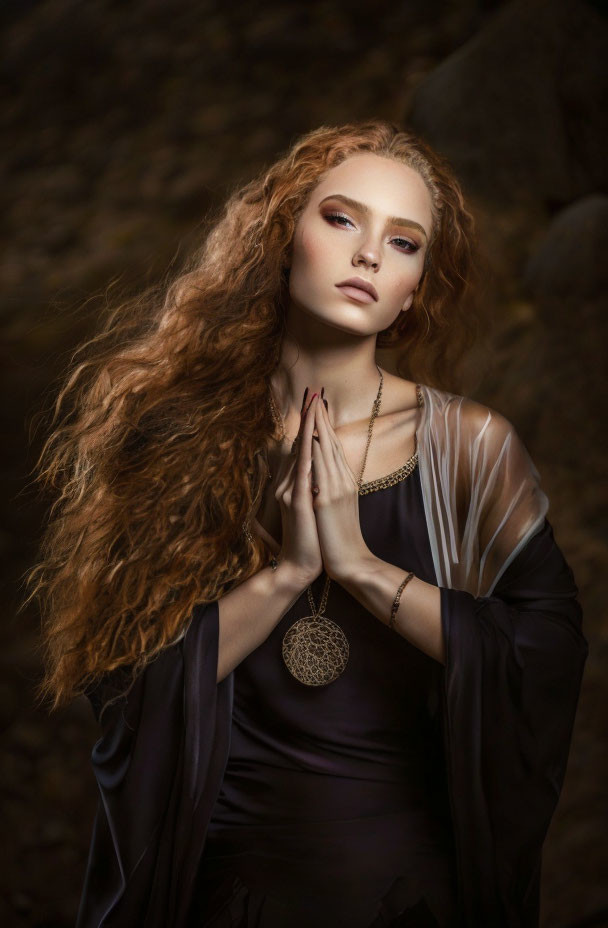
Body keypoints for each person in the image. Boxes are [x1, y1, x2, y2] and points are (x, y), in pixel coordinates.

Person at [24, 120, 588, 927]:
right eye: (341, 219)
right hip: (221, 890)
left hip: (412, 894)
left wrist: (359, 566)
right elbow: (126, 687)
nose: (368, 255)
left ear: (416, 288)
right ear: (281, 236)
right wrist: (287, 573)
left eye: (404, 243)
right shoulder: (175, 435)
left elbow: (547, 653)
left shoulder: (471, 445)